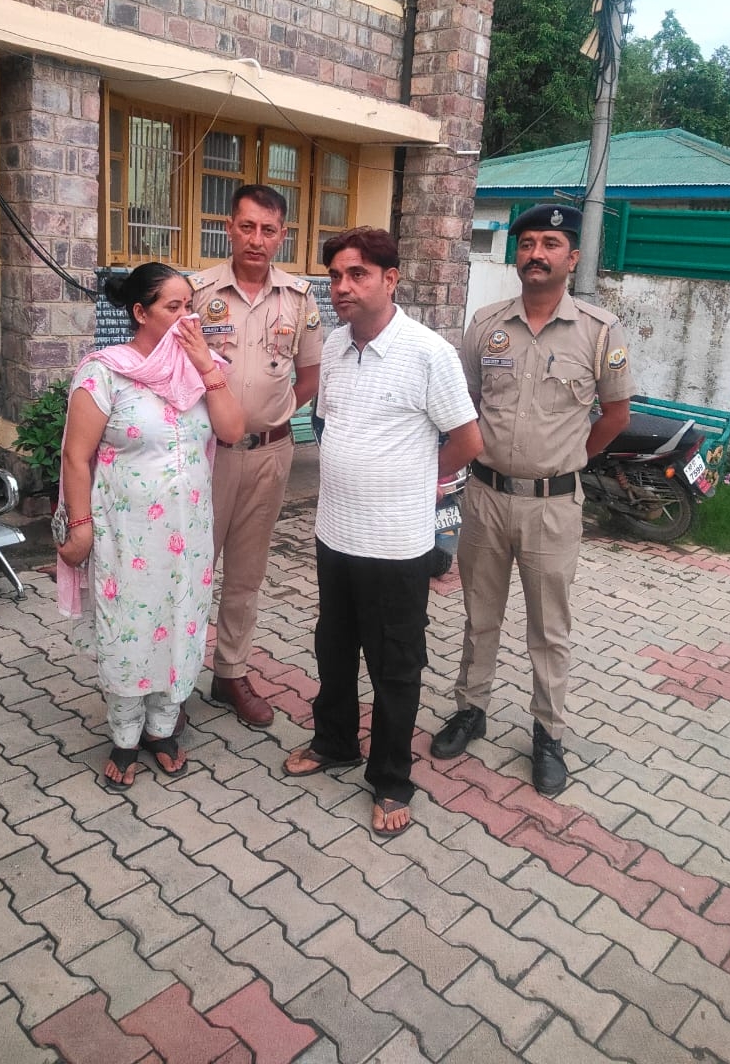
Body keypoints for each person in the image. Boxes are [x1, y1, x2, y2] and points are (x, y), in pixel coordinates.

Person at [284, 227, 482, 837]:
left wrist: (418, 479)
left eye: (358, 274)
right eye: (335, 276)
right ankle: (335, 741)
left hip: (396, 545)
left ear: (390, 279)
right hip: (335, 533)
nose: (342, 287)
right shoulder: (335, 346)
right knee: (334, 648)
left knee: (395, 665)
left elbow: (467, 440)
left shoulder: (428, 353)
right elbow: (326, 422)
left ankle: (392, 778)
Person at [431, 203, 634, 796]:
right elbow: (466, 405)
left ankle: (548, 734)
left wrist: (567, 461)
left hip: (553, 505)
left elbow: (615, 415)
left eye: (550, 244)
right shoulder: (486, 324)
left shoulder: (599, 330)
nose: (536, 253)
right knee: (480, 615)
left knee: (549, 627)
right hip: (485, 497)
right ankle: (471, 709)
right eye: (527, 244)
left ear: (573, 258)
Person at [56, 263, 244, 791]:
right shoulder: (105, 372)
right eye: (173, 307)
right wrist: (80, 526)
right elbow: (75, 457)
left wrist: (205, 364)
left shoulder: (201, 369)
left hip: (190, 533)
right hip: (127, 532)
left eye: (191, 307)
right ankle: (124, 736)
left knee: (182, 621)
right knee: (130, 628)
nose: (188, 318)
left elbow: (233, 430)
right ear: (140, 312)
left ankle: (162, 729)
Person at [189, 185, 322, 727]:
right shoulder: (197, 292)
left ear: (282, 236)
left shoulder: (300, 299)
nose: (256, 239)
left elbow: (309, 375)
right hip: (204, 456)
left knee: (246, 573)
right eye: (247, 227)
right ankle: (175, 678)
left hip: (270, 455)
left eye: (268, 230)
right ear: (229, 228)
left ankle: (230, 672)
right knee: (191, 567)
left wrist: (273, 414)